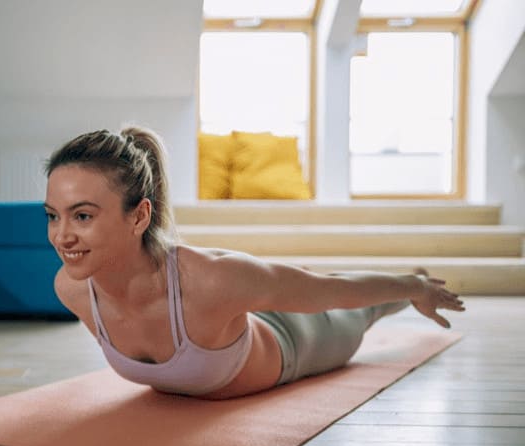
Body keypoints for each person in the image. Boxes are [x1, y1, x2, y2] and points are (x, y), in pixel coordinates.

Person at [42, 126, 465, 400]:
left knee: (360, 307)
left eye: (82, 216)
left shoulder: (208, 278)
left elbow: (328, 290)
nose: (62, 236)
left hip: (295, 340)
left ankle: (413, 286)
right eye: (52, 215)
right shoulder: (73, 288)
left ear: (139, 216)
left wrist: (411, 286)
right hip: (238, 311)